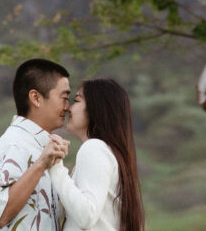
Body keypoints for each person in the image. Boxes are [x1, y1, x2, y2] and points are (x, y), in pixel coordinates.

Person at [0, 58, 72, 230]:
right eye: (64, 97)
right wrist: (41, 165)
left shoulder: (40, 147)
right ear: (36, 98)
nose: (67, 107)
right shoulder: (14, 145)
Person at [47, 78, 144, 231]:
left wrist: (56, 167)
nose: (69, 108)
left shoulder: (94, 148)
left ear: (96, 108)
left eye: (77, 100)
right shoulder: (107, 151)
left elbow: (86, 216)